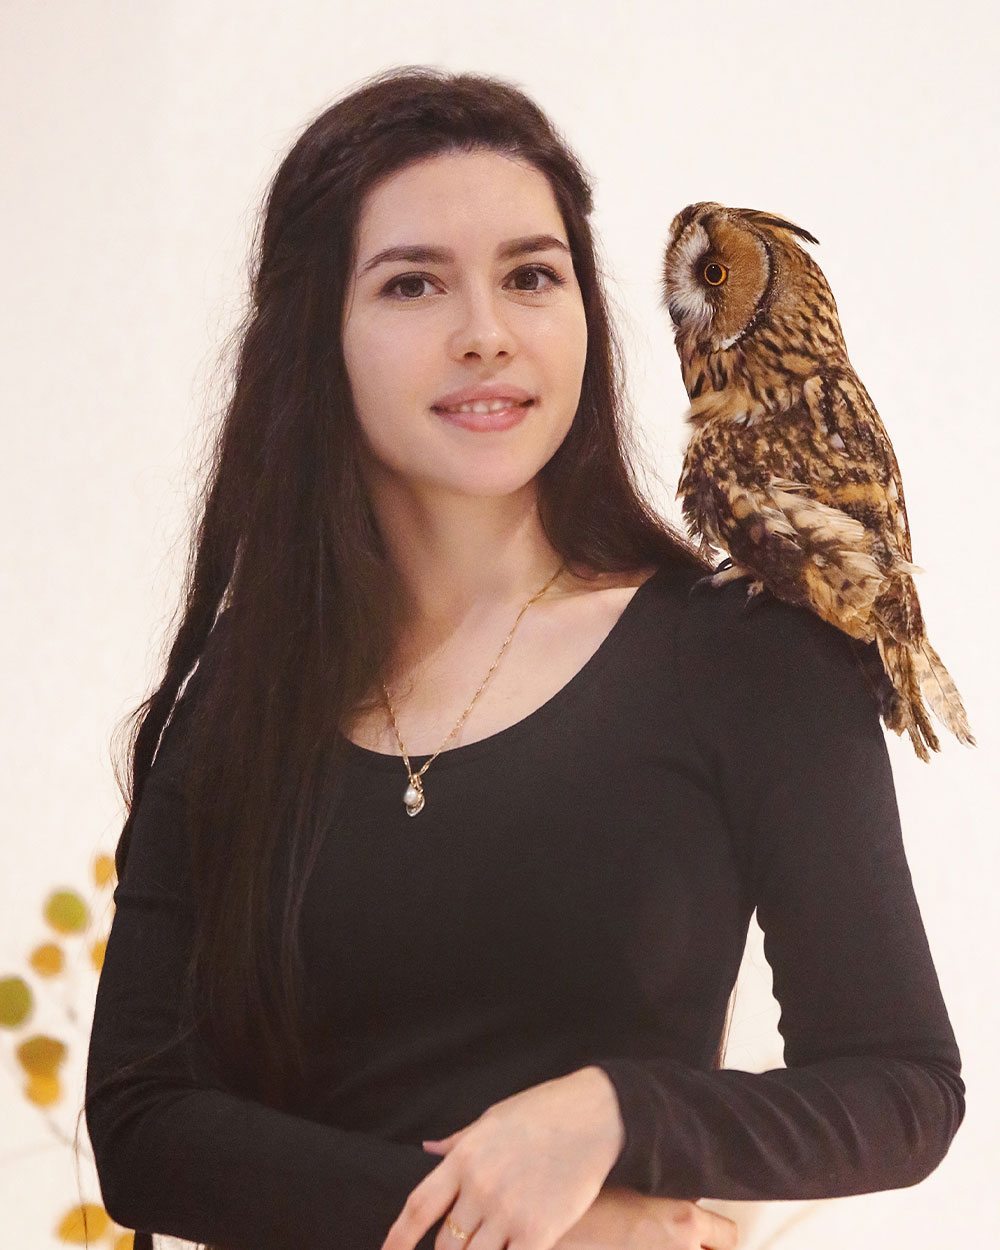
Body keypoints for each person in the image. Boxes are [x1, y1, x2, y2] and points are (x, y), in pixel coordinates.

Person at [84, 66, 964, 1250]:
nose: (485, 333)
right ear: (317, 335)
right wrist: (526, 1229)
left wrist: (614, 1113)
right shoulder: (242, 702)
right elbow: (144, 1129)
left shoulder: (748, 653)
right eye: (412, 283)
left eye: (530, 275)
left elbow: (901, 1089)